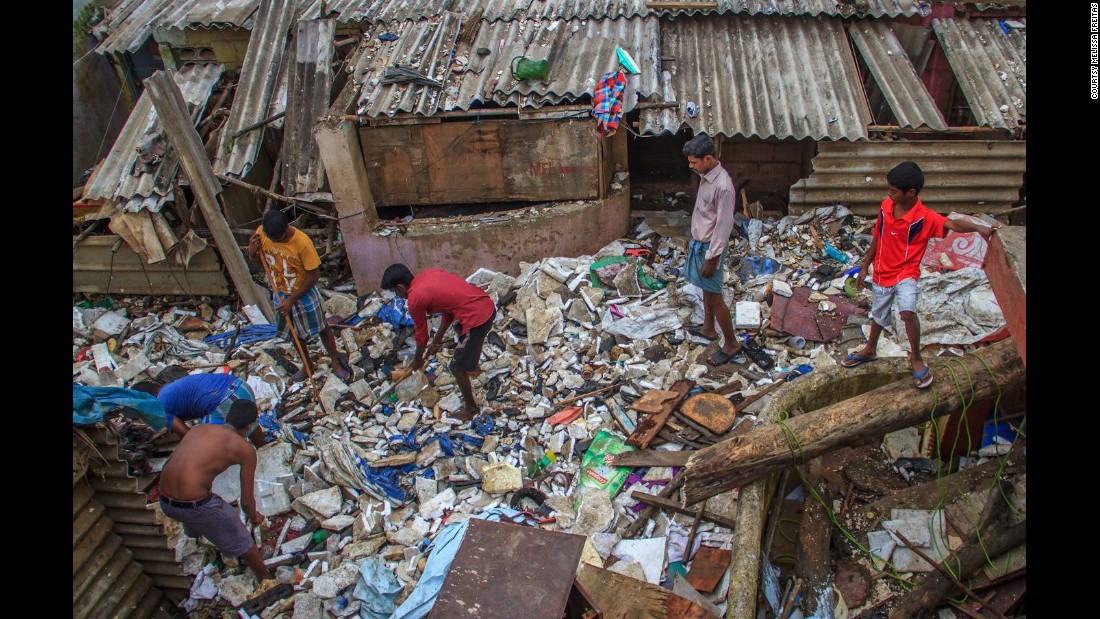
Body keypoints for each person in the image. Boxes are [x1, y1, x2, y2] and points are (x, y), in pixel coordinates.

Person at [840, 161, 1003, 388]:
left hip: (906, 272)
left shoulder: (924, 217)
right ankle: (870, 349)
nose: (889, 194)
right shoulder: (886, 207)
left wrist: (978, 227)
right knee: (878, 313)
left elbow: (953, 224)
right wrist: (865, 266)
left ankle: (916, 357)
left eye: (894, 190)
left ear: (911, 193)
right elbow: (877, 237)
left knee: (907, 312)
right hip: (882, 270)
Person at [157, 401, 271, 581]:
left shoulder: (198, 430)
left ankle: (197, 539)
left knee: (196, 511)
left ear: (227, 417)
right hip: (193, 505)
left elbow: (176, 460)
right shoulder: (244, 449)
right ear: (250, 426)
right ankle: (265, 578)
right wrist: (255, 517)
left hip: (164, 500)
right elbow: (247, 502)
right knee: (237, 532)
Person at [380, 264, 496, 420]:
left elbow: (421, 335)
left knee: (456, 367)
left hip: (478, 318)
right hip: (485, 305)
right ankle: (473, 367)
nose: (398, 296)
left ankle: (471, 409)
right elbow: (448, 313)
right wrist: (436, 341)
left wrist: (418, 360)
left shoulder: (415, 298)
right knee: (459, 329)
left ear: (400, 287)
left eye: (395, 292)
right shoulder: (428, 275)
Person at [248, 209, 351, 382]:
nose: (273, 242)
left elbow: (313, 276)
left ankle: (335, 361)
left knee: (321, 327)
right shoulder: (262, 234)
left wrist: (292, 299)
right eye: (271, 239)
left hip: (303, 292)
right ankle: (308, 364)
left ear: (286, 229)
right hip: (280, 291)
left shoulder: (302, 243)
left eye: (277, 239)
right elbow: (261, 263)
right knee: (294, 332)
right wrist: (252, 254)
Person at [681, 133, 743, 366]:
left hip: (711, 248)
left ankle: (731, 344)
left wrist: (712, 258)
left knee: (715, 297)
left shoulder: (723, 187)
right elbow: (703, 213)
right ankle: (708, 329)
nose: (690, 165)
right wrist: (692, 234)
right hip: (701, 242)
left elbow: (724, 225)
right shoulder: (706, 176)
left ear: (708, 158)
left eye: (693, 161)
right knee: (706, 292)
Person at [132, 374, 267, 447]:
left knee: (208, 443)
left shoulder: (159, 405)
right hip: (241, 387)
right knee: (249, 424)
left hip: (225, 399)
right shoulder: (170, 388)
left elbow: (185, 433)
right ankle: (264, 449)